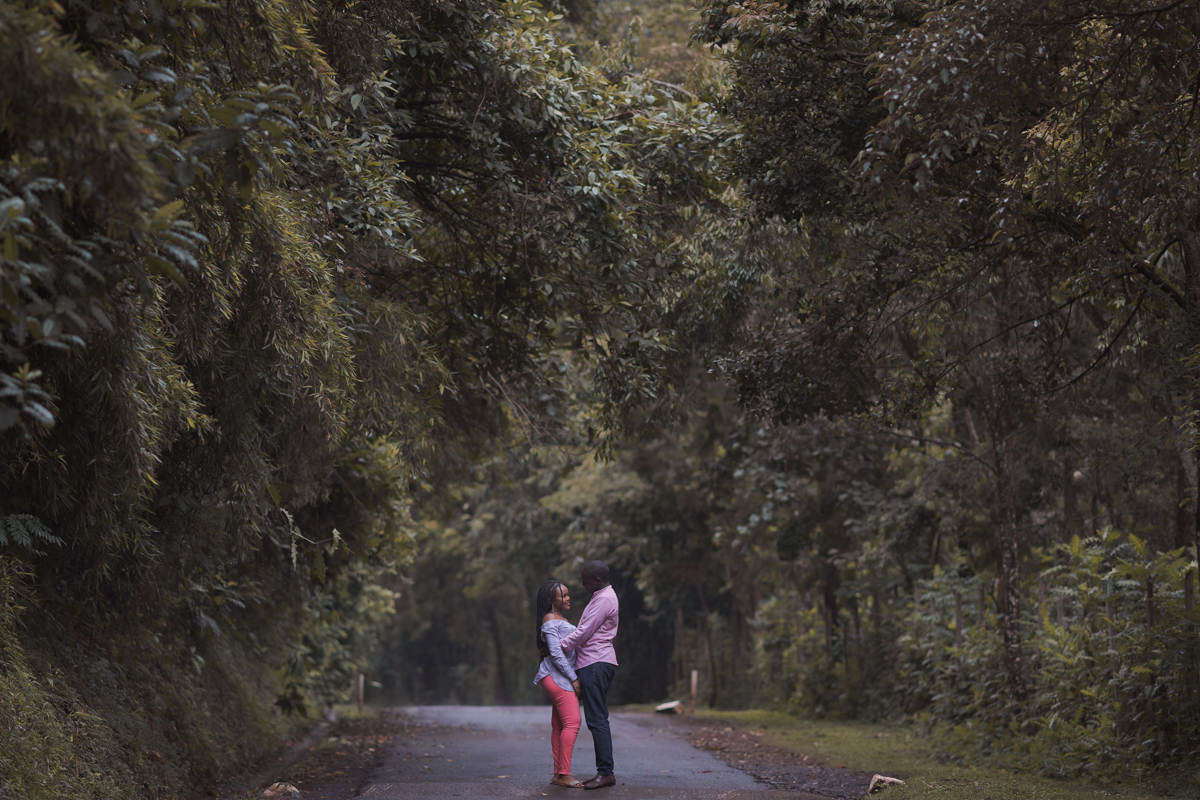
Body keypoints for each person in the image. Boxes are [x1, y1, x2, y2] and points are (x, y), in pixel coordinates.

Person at [559, 560, 619, 790]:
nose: (582, 584)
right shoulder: (601, 597)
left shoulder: (603, 599)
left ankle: (605, 773)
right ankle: (605, 771)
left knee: (597, 719)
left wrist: (559, 646)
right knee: (597, 718)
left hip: (596, 662)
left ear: (597, 580)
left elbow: (584, 632)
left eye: (585, 579)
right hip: (594, 662)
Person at [533, 580, 584, 788]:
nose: (567, 598)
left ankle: (558, 774)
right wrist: (573, 677)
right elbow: (554, 653)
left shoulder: (556, 618)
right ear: (550, 600)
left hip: (557, 675)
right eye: (563, 595)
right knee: (573, 722)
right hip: (557, 676)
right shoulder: (550, 620)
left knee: (560, 725)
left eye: (567, 594)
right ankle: (564, 773)